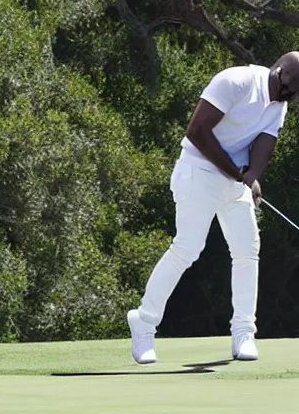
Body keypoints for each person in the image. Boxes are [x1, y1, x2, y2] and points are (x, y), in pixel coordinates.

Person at [127, 51, 299, 364]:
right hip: (197, 170)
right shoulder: (237, 81)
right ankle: (144, 322)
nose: (290, 96)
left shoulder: (280, 103)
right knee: (188, 248)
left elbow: (265, 141)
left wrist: (252, 176)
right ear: (279, 71)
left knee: (247, 250)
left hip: (231, 177)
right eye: (291, 86)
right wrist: (238, 174)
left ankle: (244, 333)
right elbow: (197, 131)